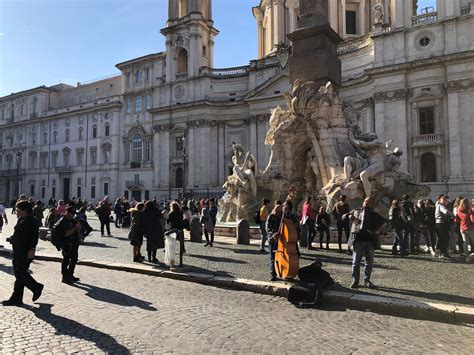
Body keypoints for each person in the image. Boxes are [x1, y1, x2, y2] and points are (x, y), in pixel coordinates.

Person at [2, 201, 44, 306]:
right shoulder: (21, 219)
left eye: (17, 209)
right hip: (17, 250)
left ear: (24, 210)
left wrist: (32, 249)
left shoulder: (32, 220)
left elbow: (34, 237)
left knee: (20, 273)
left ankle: (36, 287)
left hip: (25, 251)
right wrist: (12, 238)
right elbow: (18, 233)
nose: (16, 211)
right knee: (19, 274)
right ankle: (16, 298)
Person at [345, 197, 386, 289]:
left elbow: (383, 225)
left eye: (369, 202)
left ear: (372, 204)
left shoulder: (375, 215)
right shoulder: (356, 211)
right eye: (366, 201)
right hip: (358, 240)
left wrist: (381, 231)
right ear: (363, 202)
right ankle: (355, 280)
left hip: (370, 241)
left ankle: (367, 280)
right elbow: (343, 216)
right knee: (356, 262)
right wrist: (348, 216)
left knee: (369, 262)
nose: (367, 203)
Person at [54, 206, 82, 284]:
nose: (73, 215)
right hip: (66, 243)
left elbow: (79, 229)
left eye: (73, 214)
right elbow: (65, 234)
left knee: (74, 259)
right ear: (67, 213)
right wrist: (74, 228)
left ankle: (70, 274)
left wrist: (78, 227)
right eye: (71, 214)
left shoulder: (73, 220)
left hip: (74, 243)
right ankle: (65, 277)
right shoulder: (63, 221)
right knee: (66, 260)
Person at [266, 200, 283, 281]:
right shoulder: (271, 216)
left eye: (280, 211)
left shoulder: (282, 216)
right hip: (272, 239)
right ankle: (273, 274)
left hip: (281, 239)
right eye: (277, 211)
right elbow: (268, 228)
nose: (278, 213)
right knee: (273, 257)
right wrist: (273, 234)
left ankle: (284, 272)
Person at [455, 198, 474, 262]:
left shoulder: (458, 210)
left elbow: (456, 220)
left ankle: (467, 257)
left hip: (462, 228)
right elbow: (472, 219)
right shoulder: (469, 210)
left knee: (465, 242)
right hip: (470, 228)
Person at [435, 195, 454, 259]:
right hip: (441, 224)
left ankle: (442, 252)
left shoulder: (440, 205)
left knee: (444, 238)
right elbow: (445, 211)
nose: (446, 201)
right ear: (441, 200)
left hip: (441, 223)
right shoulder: (441, 205)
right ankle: (443, 253)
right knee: (444, 238)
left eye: (447, 200)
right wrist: (453, 215)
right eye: (445, 200)